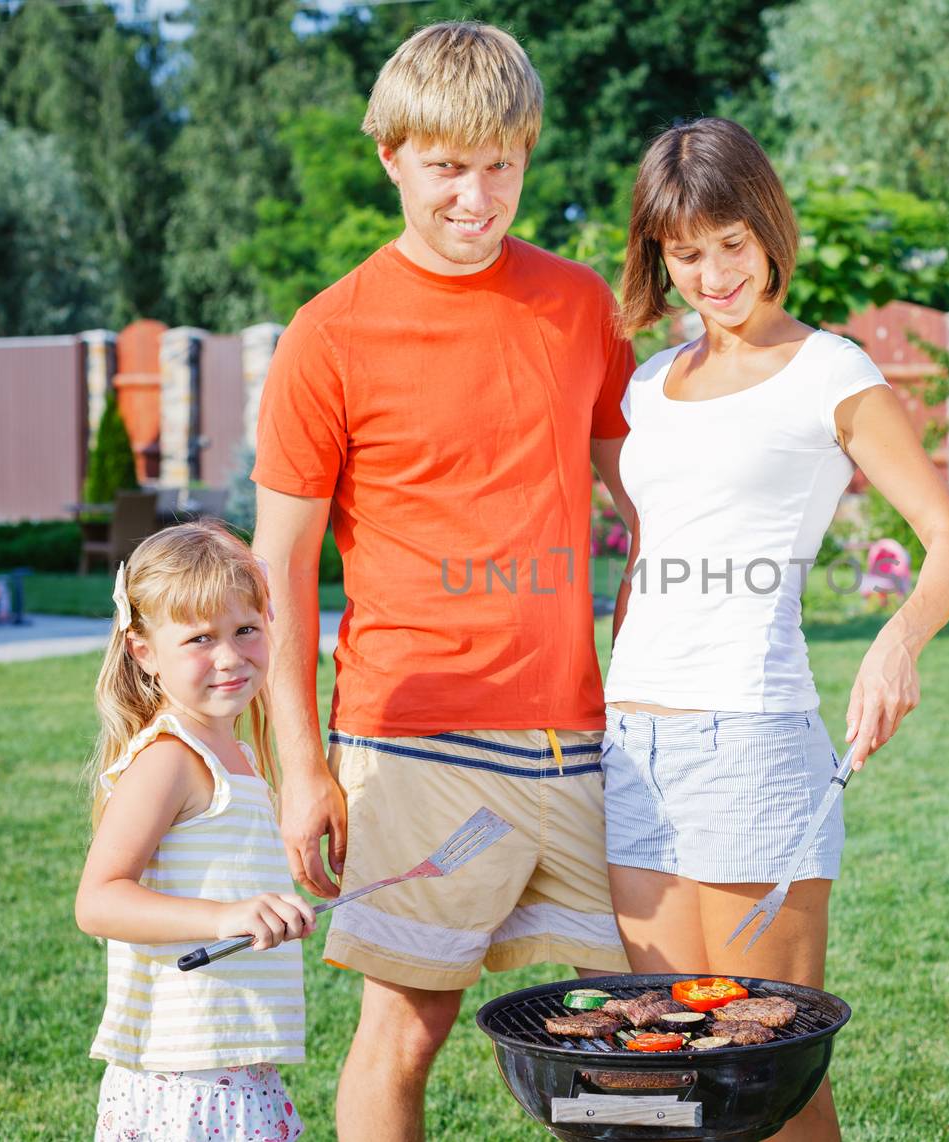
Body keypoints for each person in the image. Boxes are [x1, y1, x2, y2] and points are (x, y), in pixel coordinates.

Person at [249, 21, 635, 1142]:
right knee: (405, 1032)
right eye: (447, 167)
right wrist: (302, 767)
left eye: (501, 166)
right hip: (412, 738)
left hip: (581, 736)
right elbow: (278, 565)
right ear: (392, 157)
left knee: (640, 1020)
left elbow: (645, 507)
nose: (477, 196)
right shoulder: (329, 336)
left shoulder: (579, 309)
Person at [602, 118, 949, 1141]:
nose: (714, 273)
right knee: (670, 1070)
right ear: (658, 256)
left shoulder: (830, 372)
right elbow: (649, 555)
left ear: (767, 228)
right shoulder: (649, 383)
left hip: (749, 738)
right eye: (685, 254)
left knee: (766, 1067)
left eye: (731, 242)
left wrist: (896, 640)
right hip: (633, 746)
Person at [76, 521, 314, 1142]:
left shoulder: (239, 755)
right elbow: (98, 899)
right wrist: (225, 916)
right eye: (200, 639)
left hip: (234, 1063)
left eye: (246, 630)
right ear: (144, 651)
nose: (231, 657)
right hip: (183, 1079)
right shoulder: (169, 758)